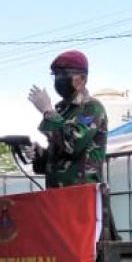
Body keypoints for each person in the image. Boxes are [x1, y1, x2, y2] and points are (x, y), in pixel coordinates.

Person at [25, 50, 108, 188]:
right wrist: (39, 154)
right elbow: (58, 159)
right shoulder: (61, 110)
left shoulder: (91, 108)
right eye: (56, 75)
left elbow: (73, 145)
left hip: (82, 197)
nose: (59, 79)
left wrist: (47, 111)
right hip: (57, 196)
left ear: (82, 79)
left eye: (65, 74)